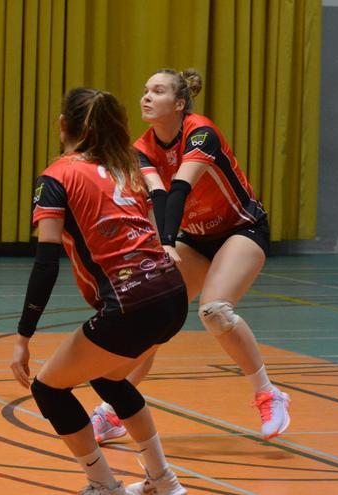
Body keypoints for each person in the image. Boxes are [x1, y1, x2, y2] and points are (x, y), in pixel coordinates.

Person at [90, 69, 291, 444]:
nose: (146, 97)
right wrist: (158, 243)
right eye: (145, 90)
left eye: (158, 91)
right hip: (195, 239)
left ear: (179, 104)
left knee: (214, 310)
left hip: (241, 229)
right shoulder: (142, 147)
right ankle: (114, 410)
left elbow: (180, 187)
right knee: (150, 319)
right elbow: (158, 196)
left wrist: (166, 242)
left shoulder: (201, 132)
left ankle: (268, 392)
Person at [11, 88, 188, 495]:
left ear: (63, 125)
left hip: (131, 301)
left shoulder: (57, 176)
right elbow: (157, 203)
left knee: (48, 388)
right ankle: (165, 481)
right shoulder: (124, 165)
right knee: (109, 379)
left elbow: (45, 264)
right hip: (173, 293)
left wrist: (24, 336)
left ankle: (102, 485)